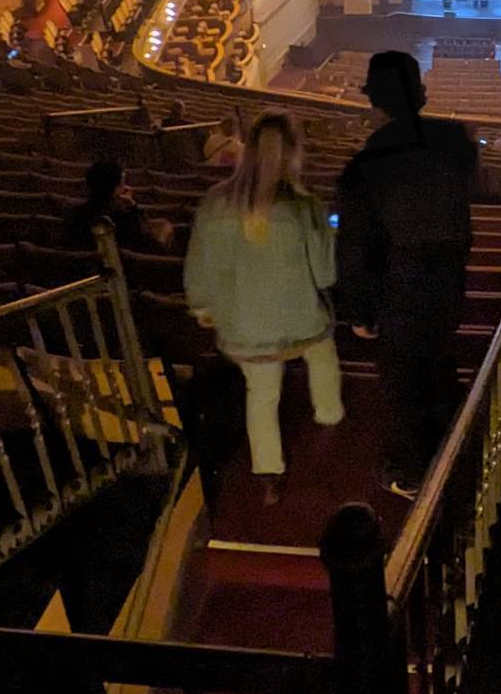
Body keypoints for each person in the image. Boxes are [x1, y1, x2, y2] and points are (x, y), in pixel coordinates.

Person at [335, 51, 477, 497]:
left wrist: (357, 310)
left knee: (402, 384)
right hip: (449, 282)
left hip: (397, 290)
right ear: (422, 94)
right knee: (440, 364)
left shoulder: (362, 166)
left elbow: (355, 247)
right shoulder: (456, 141)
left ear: (376, 103)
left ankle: (413, 472)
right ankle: (451, 453)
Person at [183, 115, 343, 507]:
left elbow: (198, 267)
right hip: (300, 321)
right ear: (293, 154)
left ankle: (268, 471)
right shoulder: (305, 206)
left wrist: (204, 307)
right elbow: (325, 275)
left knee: (261, 391)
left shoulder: (214, 202)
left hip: (242, 326)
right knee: (322, 353)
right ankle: (328, 417)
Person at [60, 157, 156, 251]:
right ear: (114, 189)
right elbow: (148, 239)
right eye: (122, 184)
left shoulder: (74, 216)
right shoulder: (126, 220)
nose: (125, 188)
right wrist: (133, 207)